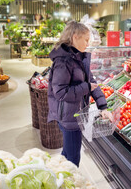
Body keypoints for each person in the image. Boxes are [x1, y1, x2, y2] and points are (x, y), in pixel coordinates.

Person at [47, 21, 112, 167]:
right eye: (86, 40)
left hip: (76, 113)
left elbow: (91, 81)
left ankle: (59, 176)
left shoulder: (77, 57)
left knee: (68, 153)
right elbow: (60, 93)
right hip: (69, 118)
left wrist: (103, 106)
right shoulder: (63, 61)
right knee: (73, 158)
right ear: (75, 37)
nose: (88, 44)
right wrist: (86, 87)